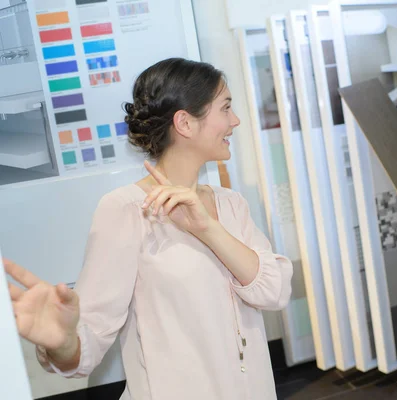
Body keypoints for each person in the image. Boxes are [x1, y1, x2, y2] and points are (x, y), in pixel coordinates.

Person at [4, 58, 293, 400]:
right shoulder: (126, 210)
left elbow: (274, 291)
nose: (235, 121)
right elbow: (92, 333)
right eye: (226, 108)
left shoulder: (231, 204)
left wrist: (208, 229)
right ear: (184, 122)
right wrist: (64, 343)